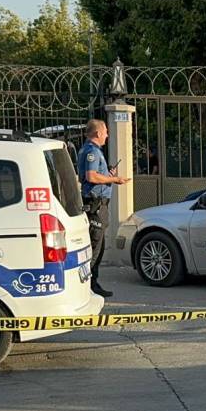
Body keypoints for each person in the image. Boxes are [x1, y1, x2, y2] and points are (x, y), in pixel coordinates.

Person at [77, 118, 128, 298]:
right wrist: (114, 179)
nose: (107, 135)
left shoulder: (89, 149)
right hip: (96, 204)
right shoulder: (92, 151)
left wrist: (107, 174)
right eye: (106, 131)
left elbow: (93, 175)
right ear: (98, 133)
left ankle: (92, 283)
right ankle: (89, 286)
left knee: (97, 244)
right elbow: (91, 176)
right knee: (95, 245)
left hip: (97, 203)